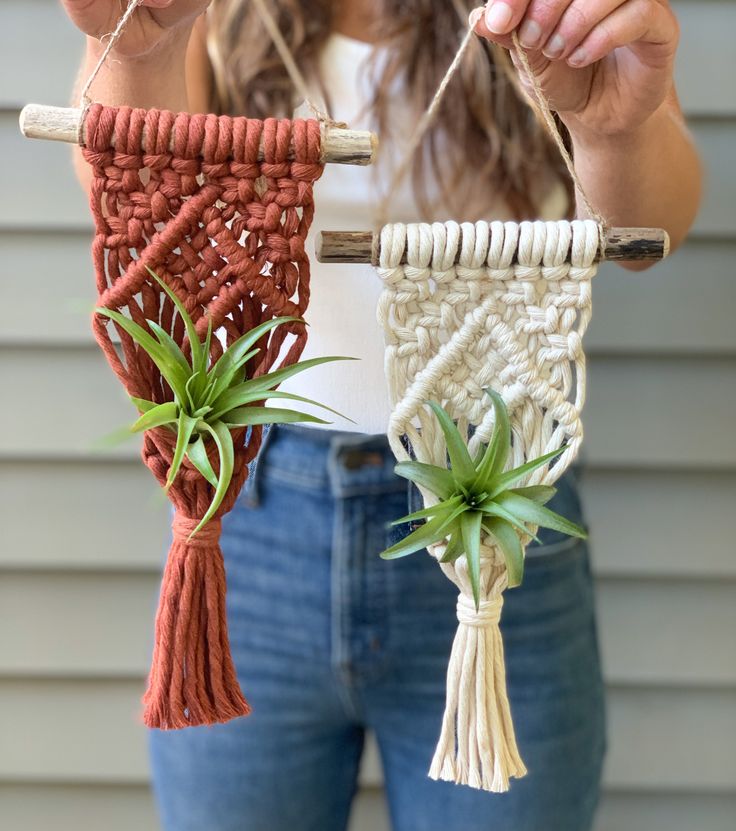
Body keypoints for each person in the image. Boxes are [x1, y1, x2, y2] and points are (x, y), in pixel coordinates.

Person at [62, 2, 702, 829]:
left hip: (498, 513)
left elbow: (656, 227)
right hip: (247, 518)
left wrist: (613, 132)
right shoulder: (222, 13)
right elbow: (125, 190)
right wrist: (144, 45)